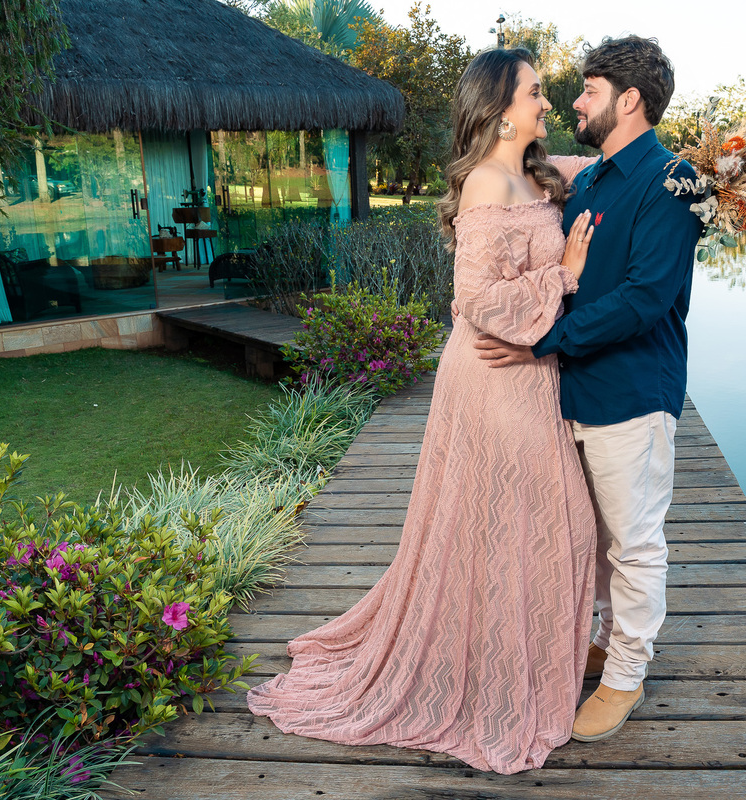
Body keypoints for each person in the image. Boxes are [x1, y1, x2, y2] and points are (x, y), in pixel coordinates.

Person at [247, 48, 601, 775]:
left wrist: (697, 172)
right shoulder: (483, 183)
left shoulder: (533, 171)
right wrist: (562, 276)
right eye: (537, 92)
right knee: (541, 517)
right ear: (501, 107)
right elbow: (477, 300)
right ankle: (495, 673)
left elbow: (596, 165)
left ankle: (521, 656)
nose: (547, 100)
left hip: (530, 372)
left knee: (535, 522)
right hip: (492, 376)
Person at [474, 36, 704, 743]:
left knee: (633, 543)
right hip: (568, 392)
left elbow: (643, 298)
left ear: (628, 100)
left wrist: (541, 341)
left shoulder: (673, 181)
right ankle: (605, 639)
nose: (575, 101)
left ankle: (628, 675)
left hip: (632, 393)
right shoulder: (595, 178)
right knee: (592, 537)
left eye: (589, 90)